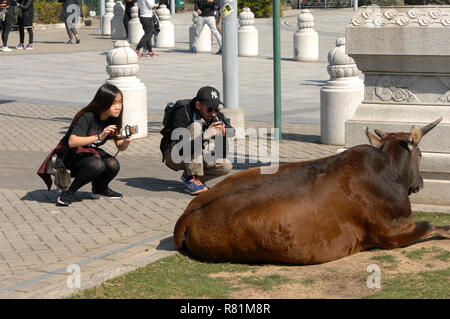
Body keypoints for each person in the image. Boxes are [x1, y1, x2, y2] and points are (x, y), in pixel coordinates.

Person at [38, 84, 131, 207]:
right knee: (97, 164)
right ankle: (67, 194)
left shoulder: (113, 119)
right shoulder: (87, 116)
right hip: (68, 156)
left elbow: (120, 146)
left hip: (88, 153)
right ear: (103, 102)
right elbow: (72, 142)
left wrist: (126, 142)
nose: (118, 107)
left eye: (120, 102)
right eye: (114, 103)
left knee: (113, 164)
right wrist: (100, 136)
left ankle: (100, 190)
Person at [160, 86, 234, 195]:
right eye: (209, 109)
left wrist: (223, 132)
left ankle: (190, 177)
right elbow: (182, 150)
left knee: (225, 166)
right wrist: (205, 136)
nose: (213, 113)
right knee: (196, 127)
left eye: (216, 108)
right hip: (174, 156)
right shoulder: (182, 112)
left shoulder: (216, 116)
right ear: (198, 105)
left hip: (198, 156)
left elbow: (230, 136)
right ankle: (192, 177)